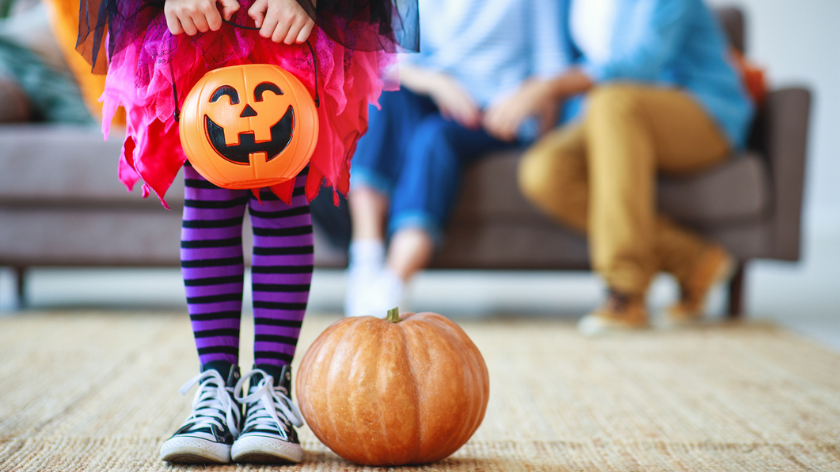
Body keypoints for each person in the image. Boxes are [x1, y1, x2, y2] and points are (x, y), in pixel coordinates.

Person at [76, 0, 416, 464]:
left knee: (281, 196)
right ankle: (216, 383)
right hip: (198, 24)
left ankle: (270, 386)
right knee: (209, 198)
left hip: (287, 23)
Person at [503, 0, 754, 334]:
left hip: (704, 112)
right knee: (545, 169)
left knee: (613, 101)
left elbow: (641, 66)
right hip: (613, 117)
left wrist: (551, 86)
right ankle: (693, 260)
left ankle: (626, 292)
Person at [344, 0, 572, 317]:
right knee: (382, 98)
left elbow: (552, 66)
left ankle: (394, 282)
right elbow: (387, 58)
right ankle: (366, 257)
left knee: (433, 139)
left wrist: (539, 136)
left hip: (497, 113)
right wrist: (438, 83)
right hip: (436, 94)